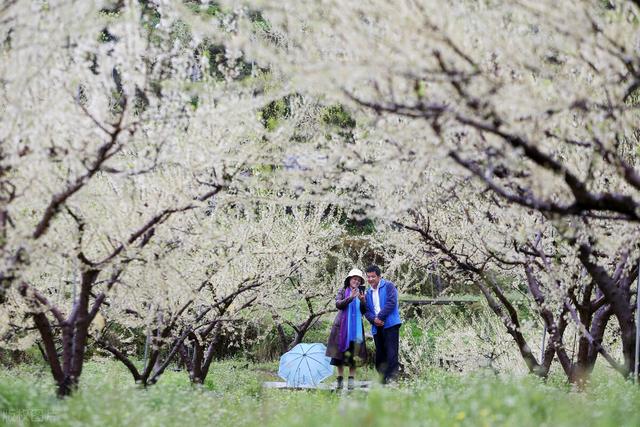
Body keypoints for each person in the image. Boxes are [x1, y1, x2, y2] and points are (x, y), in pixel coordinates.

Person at [326, 268, 368, 390]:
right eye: (355, 279)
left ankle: (351, 380)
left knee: (354, 353)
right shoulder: (343, 290)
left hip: (356, 328)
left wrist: (363, 301)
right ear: (349, 279)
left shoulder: (362, 293)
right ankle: (339, 380)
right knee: (339, 355)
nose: (356, 281)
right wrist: (351, 297)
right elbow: (338, 304)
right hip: (342, 327)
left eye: (359, 280)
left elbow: (364, 311)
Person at [364, 265, 402, 384]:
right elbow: (366, 310)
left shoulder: (389, 286)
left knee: (391, 352)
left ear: (379, 277)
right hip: (376, 326)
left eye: (373, 277)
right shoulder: (367, 292)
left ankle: (392, 379)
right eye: (368, 277)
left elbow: (391, 302)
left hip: (390, 324)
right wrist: (374, 320)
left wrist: (379, 317)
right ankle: (382, 379)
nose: (370, 279)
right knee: (380, 353)